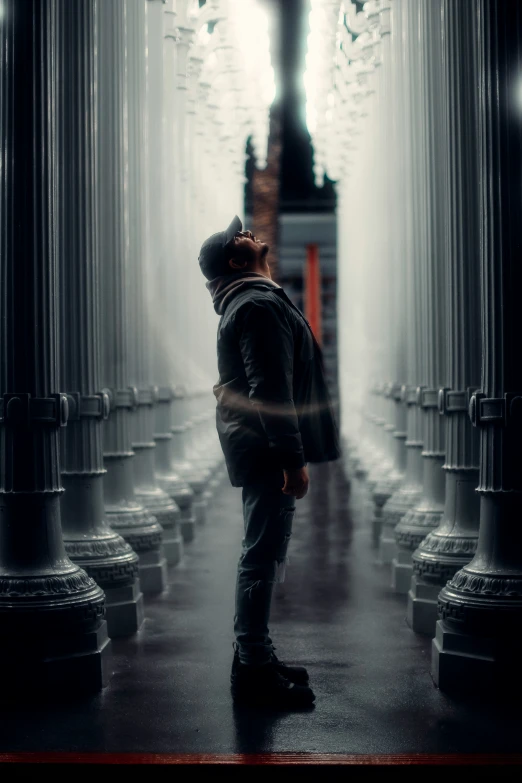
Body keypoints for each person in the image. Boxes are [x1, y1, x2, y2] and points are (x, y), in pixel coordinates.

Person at [198, 215, 341, 708]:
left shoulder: (256, 300)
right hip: (266, 449)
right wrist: (291, 460)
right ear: (237, 261)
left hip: (260, 446)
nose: (253, 233)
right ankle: (254, 668)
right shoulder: (257, 304)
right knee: (261, 553)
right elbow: (270, 391)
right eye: (242, 236)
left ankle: (256, 654)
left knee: (263, 551)